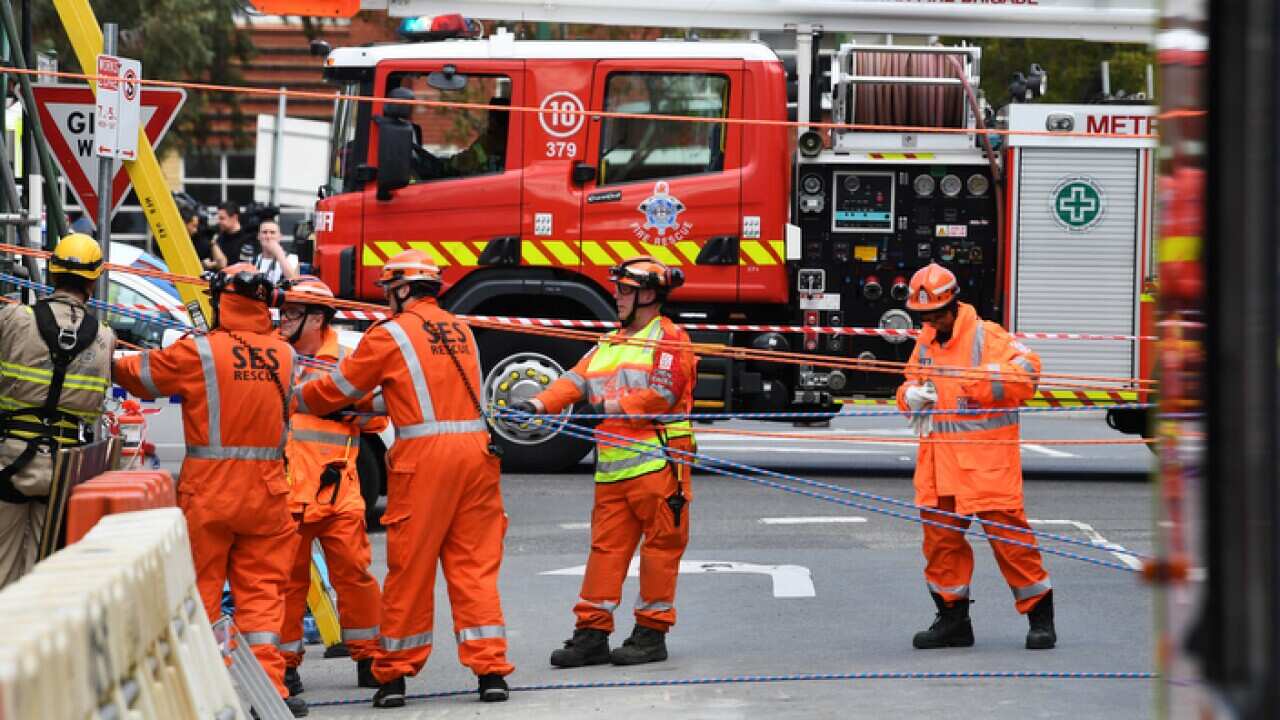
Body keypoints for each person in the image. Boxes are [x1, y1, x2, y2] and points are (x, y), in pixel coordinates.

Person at [294, 249, 513, 708]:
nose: (386, 299)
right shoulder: (460, 329)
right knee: (473, 568)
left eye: (388, 290)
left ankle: (393, 676)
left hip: (426, 461)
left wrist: (298, 398)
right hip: (476, 455)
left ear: (401, 289)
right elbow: (426, 395)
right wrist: (371, 407)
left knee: (409, 570)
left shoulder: (391, 334)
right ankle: (491, 670)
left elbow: (341, 388)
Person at [113, 263, 308, 717]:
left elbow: (137, 374)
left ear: (221, 299)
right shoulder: (284, 355)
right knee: (262, 597)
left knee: (200, 593)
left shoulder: (199, 352)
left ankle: (208, 693)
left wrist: (105, 350)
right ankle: (270, 692)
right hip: (267, 493)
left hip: (211, 493)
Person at [513, 255, 697, 668]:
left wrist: (603, 405)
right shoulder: (610, 342)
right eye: (619, 289)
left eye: (626, 290)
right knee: (604, 552)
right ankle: (591, 635)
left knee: (660, 550)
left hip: (658, 465)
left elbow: (661, 397)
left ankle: (651, 634)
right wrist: (536, 404)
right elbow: (574, 381)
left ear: (649, 294)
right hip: (614, 471)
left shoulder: (669, 339)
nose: (617, 296)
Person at [895, 262, 1056, 651]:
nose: (930, 322)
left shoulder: (988, 336)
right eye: (923, 316)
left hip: (986, 467)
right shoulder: (926, 342)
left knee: (1011, 542)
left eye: (934, 313)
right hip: (939, 468)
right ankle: (953, 621)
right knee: (940, 546)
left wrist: (974, 382)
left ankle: (1040, 619)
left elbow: (1029, 374)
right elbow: (908, 384)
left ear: (953, 304)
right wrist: (909, 398)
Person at [276, 276, 384, 697]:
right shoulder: (274, 353)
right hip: (286, 494)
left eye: (292, 313)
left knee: (355, 578)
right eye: (283, 311)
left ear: (316, 317)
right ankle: (283, 666)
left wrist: (345, 409)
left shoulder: (346, 357)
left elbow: (379, 417)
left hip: (338, 491)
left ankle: (370, 656)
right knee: (286, 584)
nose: (283, 320)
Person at [0, 233, 114, 588]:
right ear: (94, 280)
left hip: (10, 461)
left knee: (3, 567)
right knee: (43, 576)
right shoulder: (104, 338)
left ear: (52, 273)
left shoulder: (16, 319)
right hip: (65, 469)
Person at [448, 97, 510, 176]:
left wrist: (446, 164)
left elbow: (465, 161)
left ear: (494, 120)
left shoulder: (490, 142)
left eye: (490, 116)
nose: (488, 120)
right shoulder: (510, 141)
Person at [183, 205, 228, 271]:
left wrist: (212, 242)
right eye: (193, 226)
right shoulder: (173, 241)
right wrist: (200, 265)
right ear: (184, 223)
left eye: (197, 226)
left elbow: (222, 264)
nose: (195, 230)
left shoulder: (200, 239)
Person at [254, 220, 298, 285]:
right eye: (264, 232)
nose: (268, 236)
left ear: (280, 237)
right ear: (258, 236)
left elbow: (294, 281)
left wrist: (279, 254)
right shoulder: (253, 260)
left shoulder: (292, 258)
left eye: (272, 232)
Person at [215, 202, 256, 266]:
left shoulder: (248, 240)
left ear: (235, 217)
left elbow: (244, 266)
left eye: (222, 218)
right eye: (218, 218)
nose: (219, 222)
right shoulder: (219, 238)